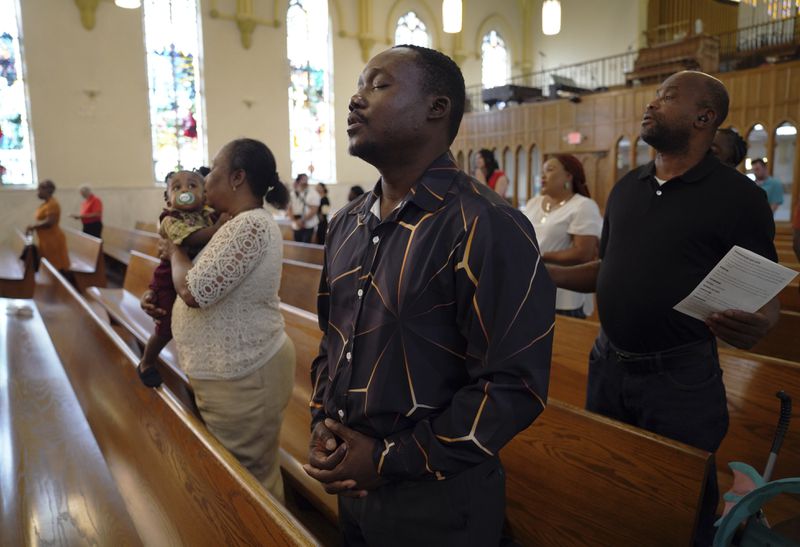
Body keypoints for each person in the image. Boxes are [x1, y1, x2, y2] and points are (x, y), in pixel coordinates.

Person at [303, 45, 554, 546]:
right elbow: (333, 345)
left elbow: (512, 387)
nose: (355, 99)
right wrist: (323, 425)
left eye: (378, 85)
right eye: (359, 85)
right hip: (353, 485)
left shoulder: (486, 224)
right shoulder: (346, 225)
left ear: (436, 108)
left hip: (438, 502)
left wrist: (385, 460)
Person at [547, 71, 779, 546]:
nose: (652, 104)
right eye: (654, 96)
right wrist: (538, 271)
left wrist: (760, 324)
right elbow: (604, 268)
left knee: (682, 508)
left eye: (668, 97)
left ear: (704, 116)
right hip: (607, 362)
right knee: (609, 490)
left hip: (679, 377)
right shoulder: (628, 187)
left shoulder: (739, 198)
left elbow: (765, 296)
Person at [141, 138, 295, 502]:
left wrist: (174, 246)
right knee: (237, 483)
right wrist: (157, 294)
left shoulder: (251, 227)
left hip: (246, 376)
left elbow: (193, 292)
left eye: (213, 171)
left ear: (238, 178)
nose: (205, 181)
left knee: (252, 489)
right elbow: (188, 278)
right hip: (228, 375)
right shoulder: (231, 225)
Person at [136, 170, 225, 388]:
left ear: (204, 195)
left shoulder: (207, 214)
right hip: (168, 280)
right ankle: (146, 362)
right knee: (165, 326)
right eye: (177, 187)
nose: (185, 190)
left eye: (192, 185)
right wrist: (217, 228)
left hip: (192, 276)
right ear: (168, 198)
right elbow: (190, 237)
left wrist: (218, 221)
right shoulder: (169, 219)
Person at [523, 154, 602, 318]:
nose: (543, 176)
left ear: (568, 176)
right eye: (542, 171)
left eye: (550, 170)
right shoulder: (534, 203)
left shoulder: (583, 206)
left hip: (565, 296)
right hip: (530, 288)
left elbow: (583, 253)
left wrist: (540, 256)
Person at [26, 179, 70, 272]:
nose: (38, 192)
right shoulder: (45, 204)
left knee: (56, 267)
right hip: (46, 239)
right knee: (49, 266)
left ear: (47, 190)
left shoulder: (52, 204)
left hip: (53, 240)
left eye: (39, 190)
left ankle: (59, 286)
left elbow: (50, 222)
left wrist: (34, 226)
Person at [289, 173, 320, 242]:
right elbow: (289, 209)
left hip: (309, 224)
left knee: (306, 245)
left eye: (306, 179)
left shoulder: (313, 193)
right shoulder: (292, 194)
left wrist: (302, 220)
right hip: (296, 224)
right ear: (298, 181)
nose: (305, 181)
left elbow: (314, 210)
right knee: (297, 245)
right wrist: (295, 221)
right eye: (303, 180)